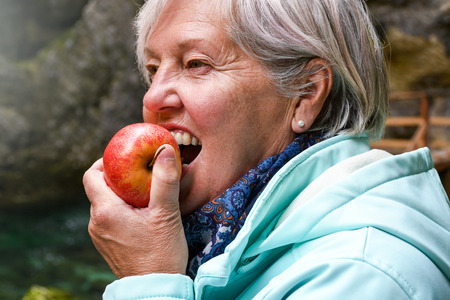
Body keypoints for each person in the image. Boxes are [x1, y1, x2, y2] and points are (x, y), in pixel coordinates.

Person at [83, 0, 450, 298]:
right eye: (152, 68)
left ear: (305, 94)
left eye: (196, 64)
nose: (152, 96)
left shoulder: (362, 275)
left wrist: (150, 280)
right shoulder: (226, 239)